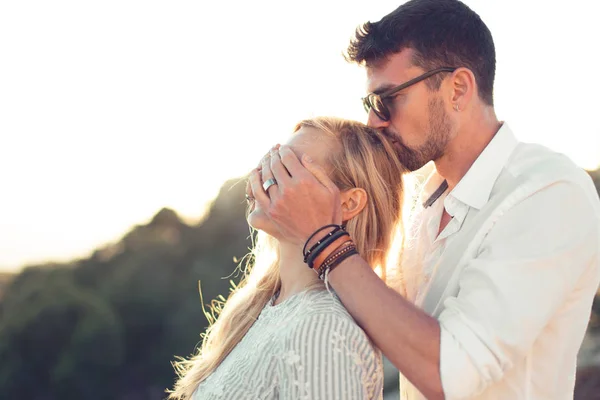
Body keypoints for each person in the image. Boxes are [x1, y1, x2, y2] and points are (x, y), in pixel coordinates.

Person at [248, 0, 600, 399]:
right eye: (370, 105)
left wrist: (323, 238)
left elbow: (449, 371)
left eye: (388, 100)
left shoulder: (548, 194)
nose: (374, 122)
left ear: (458, 88)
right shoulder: (427, 205)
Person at [168, 117, 409, 399]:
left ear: (348, 203)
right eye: (273, 157)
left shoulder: (323, 328)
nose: (263, 172)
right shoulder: (261, 309)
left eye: (288, 166)